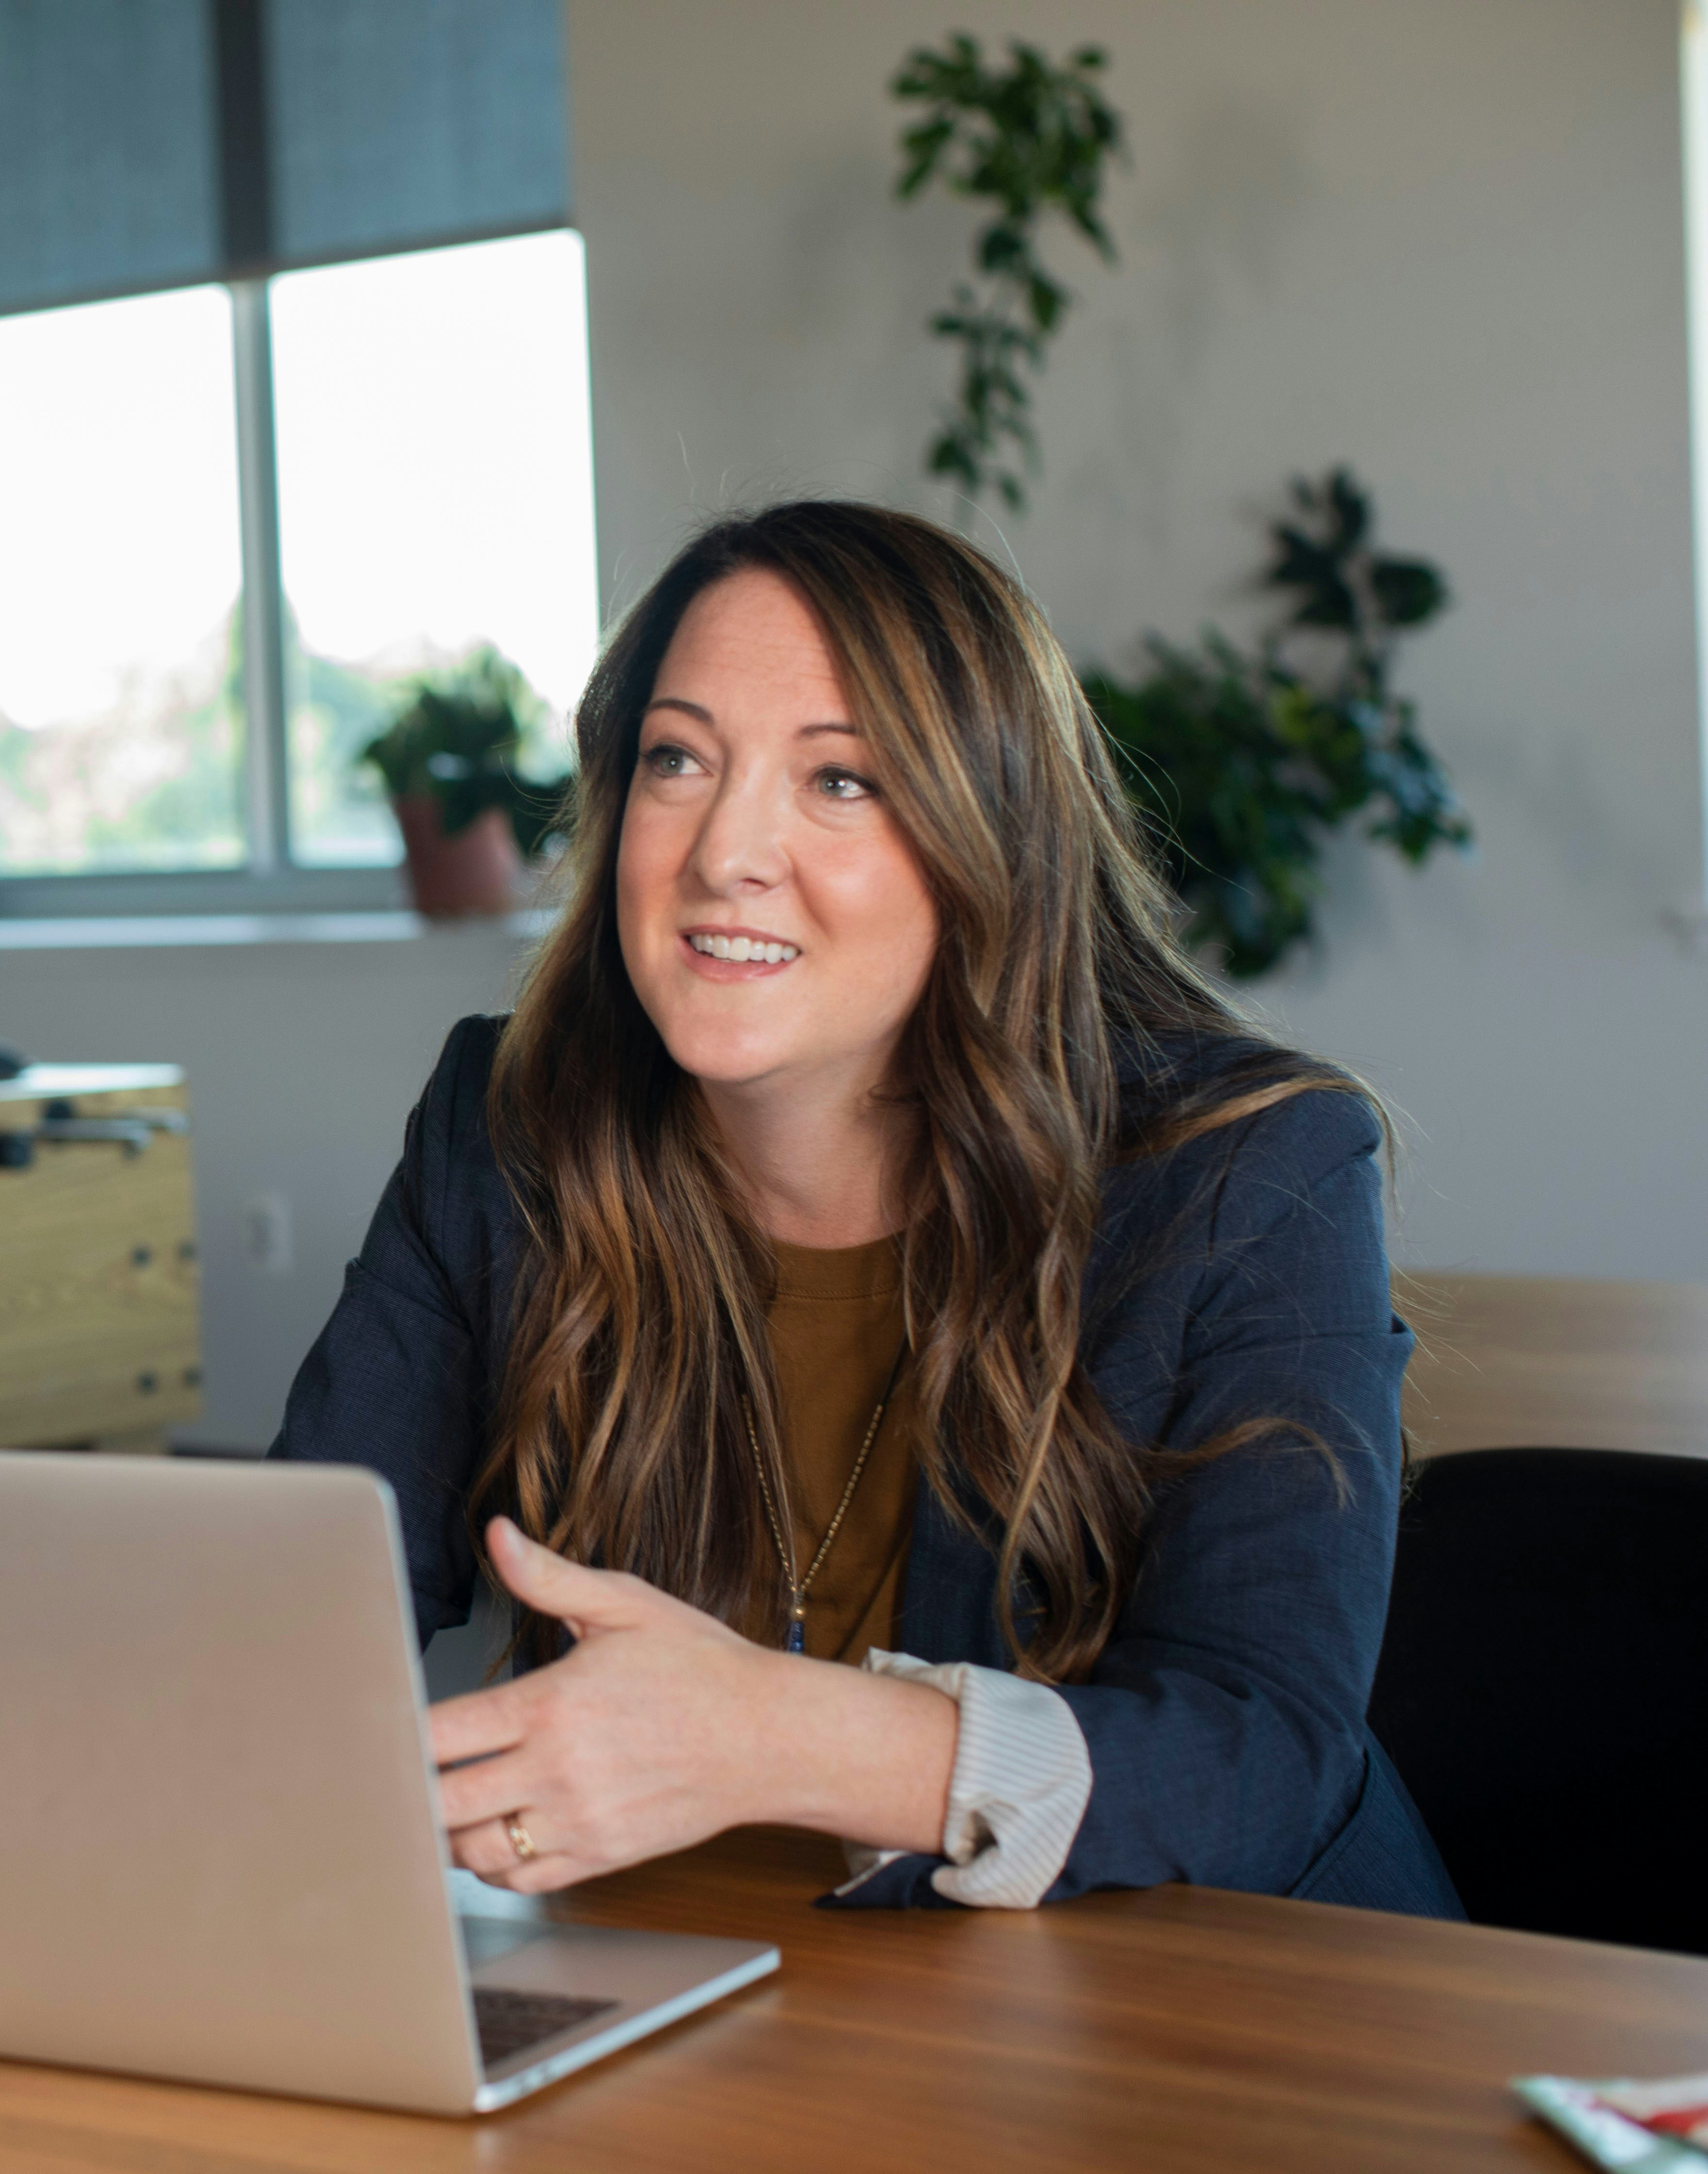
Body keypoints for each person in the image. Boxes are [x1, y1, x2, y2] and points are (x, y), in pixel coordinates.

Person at [269, 500, 1460, 1915]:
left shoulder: (1249, 1172)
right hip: (697, 2001)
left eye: (842, 782)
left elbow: (1264, 1762)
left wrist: (773, 1740)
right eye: (677, 760)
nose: (725, 852)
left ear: (993, 838)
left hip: (1190, 2021)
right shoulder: (508, 1121)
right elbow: (300, 1606)